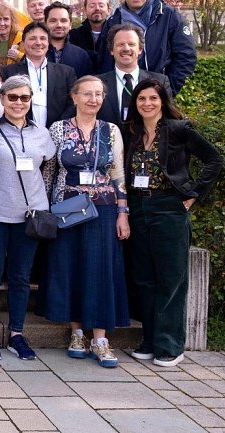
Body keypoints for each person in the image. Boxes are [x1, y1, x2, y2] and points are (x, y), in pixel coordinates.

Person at [124, 79, 222, 367]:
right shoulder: (133, 132)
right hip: (138, 206)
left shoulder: (179, 130)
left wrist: (193, 194)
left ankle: (170, 345)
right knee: (144, 277)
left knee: (170, 278)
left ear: (162, 101)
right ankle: (150, 339)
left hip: (169, 207)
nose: (147, 104)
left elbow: (214, 160)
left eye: (152, 98)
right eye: (141, 99)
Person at [40, 75, 130, 368]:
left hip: (102, 210)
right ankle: (77, 333)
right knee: (73, 269)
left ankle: (100, 339)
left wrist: (122, 213)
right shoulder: (58, 129)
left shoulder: (111, 131)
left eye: (98, 94)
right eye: (87, 94)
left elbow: (118, 175)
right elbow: (49, 171)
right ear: (74, 97)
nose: (93, 99)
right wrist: (45, 211)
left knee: (100, 270)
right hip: (67, 209)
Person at [0, 75, 56, 361]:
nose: (19, 103)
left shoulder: (42, 133)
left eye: (24, 98)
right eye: (13, 98)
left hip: (31, 215)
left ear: (30, 100)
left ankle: (17, 334)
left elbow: (47, 169)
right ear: (2, 99)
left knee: (21, 278)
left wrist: (42, 201)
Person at [97, 0, 197, 95]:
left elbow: (186, 56)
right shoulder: (113, 21)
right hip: (122, 91)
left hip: (157, 92)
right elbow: (105, 60)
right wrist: (110, 93)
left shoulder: (169, 17)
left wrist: (167, 90)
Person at [97, 23, 171, 132]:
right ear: (111, 50)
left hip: (148, 146)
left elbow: (169, 119)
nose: (126, 48)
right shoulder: (97, 83)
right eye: (120, 44)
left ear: (140, 49)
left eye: (131, 44)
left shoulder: (160, 81)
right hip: (108, 146)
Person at [1, 22, 76, 129]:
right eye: (32, 38)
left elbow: (73, 103)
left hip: (58, 133)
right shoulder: (8, 72)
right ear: (23, 42)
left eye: (43, 38)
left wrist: (58, 128)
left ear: (48, 42)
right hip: (20, 132)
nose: (38, 42)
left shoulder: (66, 73)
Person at [44, 1, 94, 78]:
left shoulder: (81, 56)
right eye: (53, 21)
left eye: (63, 21)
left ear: (70, 24)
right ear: (45, 24)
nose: (59, 25)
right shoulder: (36, 52)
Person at [69, 0, 110, 71]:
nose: (97, 8)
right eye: (92, 6)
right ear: (84, 10)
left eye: (101, 5)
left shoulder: (116, 35)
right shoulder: (73, 36)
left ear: (109, 10)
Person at [0, 1, 24, 67]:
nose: (2, 23)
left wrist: (19, 56)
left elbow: (35, 61)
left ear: (12, 21)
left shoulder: (22, 39)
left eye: (6, 19)